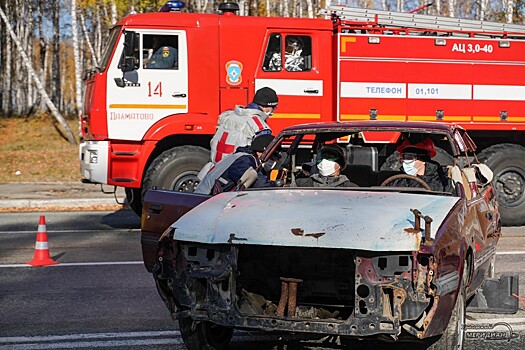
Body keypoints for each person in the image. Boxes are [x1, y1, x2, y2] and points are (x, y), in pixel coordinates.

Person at [198, 87, 279, 179]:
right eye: (275, 107)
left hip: (211, 172)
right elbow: (264, 162)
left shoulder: (227, 116)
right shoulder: (259, 127)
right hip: (233, 177)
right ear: (269, 107)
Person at [195, 133, 277, 195]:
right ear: (260, 152)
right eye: (272, 157)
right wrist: (278, 187)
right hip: (205, 199)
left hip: (215, 197)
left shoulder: (247, 157)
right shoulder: (244, 162)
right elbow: (259, 185)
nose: (273, 160)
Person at [388, 138, 452, 192]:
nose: (405, 161)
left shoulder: (442, 181)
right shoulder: (397, 181)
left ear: (423, 160)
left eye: (409, 157)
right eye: (403, 158)